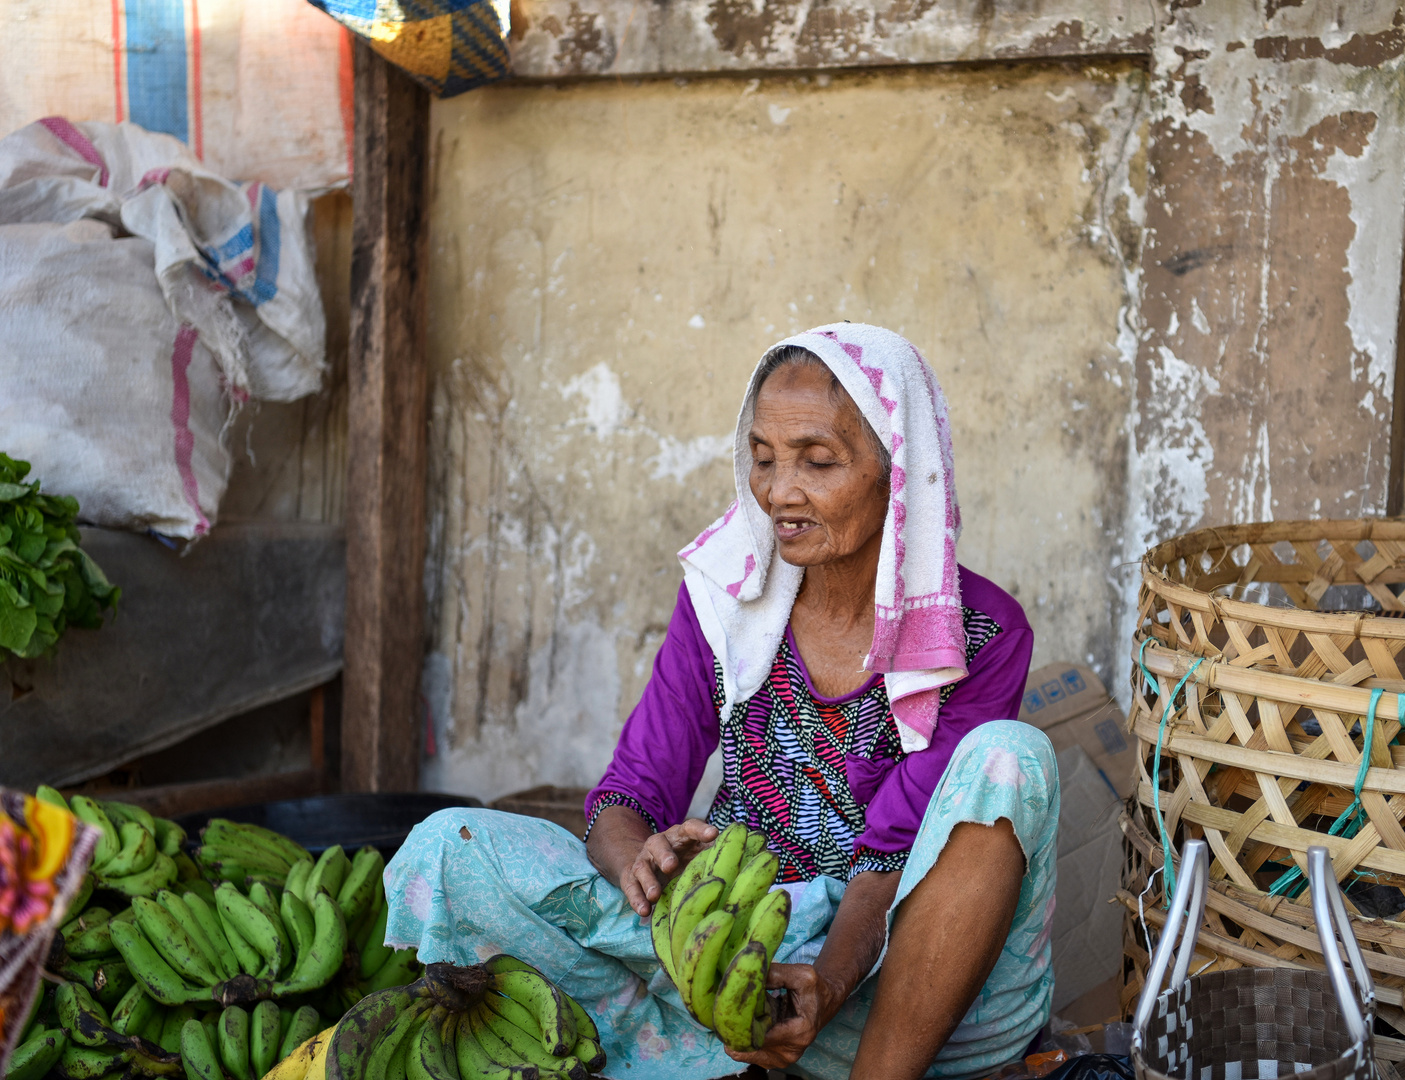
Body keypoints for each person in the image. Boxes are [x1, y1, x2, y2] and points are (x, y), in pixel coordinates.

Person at [384, 324, 1058, 1080]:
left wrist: (828, 987)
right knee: (451, 848)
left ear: (898, 473)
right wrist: (640, 859)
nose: (779, 492)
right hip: (727, 956)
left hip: (900, 983)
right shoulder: (725, 597)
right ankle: (713, 1050)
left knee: (1014, 759)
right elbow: (628, 794)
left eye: (818, 461)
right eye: (763, 458)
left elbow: (891, 853)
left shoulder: (978, 632)